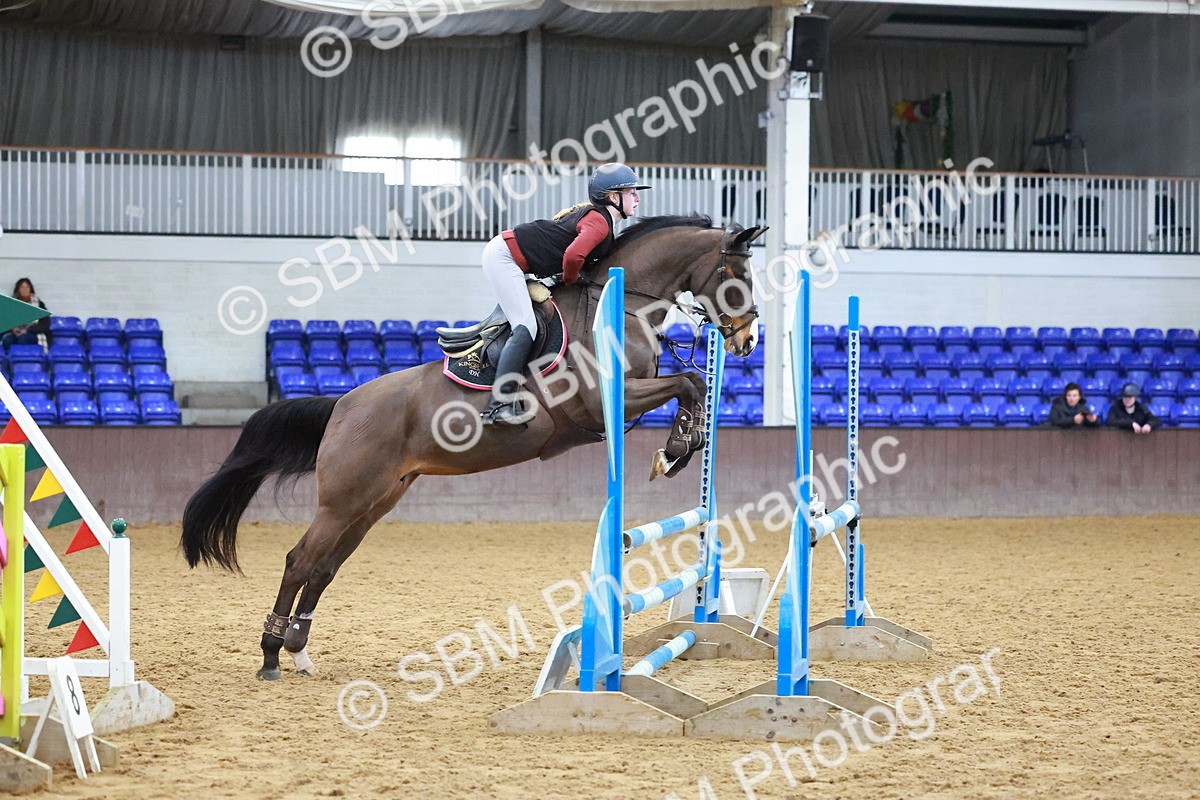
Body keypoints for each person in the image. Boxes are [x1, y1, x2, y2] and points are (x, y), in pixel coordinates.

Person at [478, 162, 651, 426]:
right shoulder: (599, 222)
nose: (637, 197)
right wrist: (571, 279)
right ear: (613, 197)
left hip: (515, 259)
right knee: (526, 326)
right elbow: (573, 255)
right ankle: (498, 405)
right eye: (631, 192)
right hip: (505, 258)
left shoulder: (602, 221)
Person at [2, 277, 50, 350]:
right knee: (7, 340)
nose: (25, 290)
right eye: (22, 287)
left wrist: (28, 330)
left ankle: (25, 360)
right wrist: (12, 329)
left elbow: (45, 324)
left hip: (32, 333)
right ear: (18, 290)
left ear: (31, 290)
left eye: (27, 287)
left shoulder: (39, 305)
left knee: (23, 338)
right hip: (14, 333)